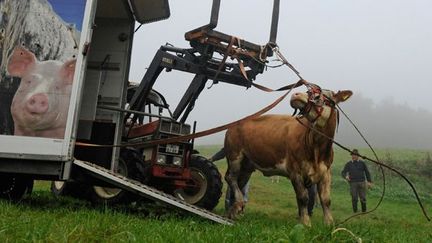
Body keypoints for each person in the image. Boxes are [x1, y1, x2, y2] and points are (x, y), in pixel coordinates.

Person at [209, 148, 250, 212]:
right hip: (236, 173)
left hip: (243, 172)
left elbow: (224, 151)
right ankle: (230, 211)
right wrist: (212, 158)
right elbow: (225, 151)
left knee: (239, 193)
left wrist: (212, 159)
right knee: (234, 192)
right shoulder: (236, 143)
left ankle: (238, 211)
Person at [341, 149, 373, 213]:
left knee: (363, 198)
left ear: (358, 156)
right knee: (354, 198)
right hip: (353, 183)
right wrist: (346, 176)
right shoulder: (348, 164)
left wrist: (369, 182)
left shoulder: (362, 163)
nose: (354, 156)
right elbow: (343, 172)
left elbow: (367, 172)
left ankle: (364, 212)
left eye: (355, 155)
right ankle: (355, 212)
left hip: (362, 183)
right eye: (352, 155)